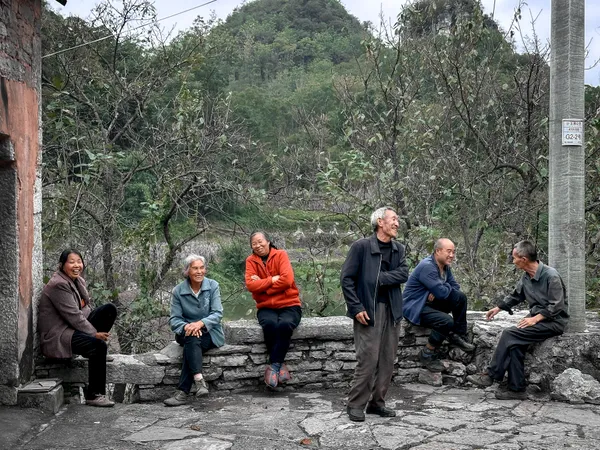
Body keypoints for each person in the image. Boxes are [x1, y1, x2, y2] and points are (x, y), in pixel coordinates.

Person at [467, 240, 569, 400]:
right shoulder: (526, 276)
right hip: (537, 319)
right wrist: (498, 308)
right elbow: (516, 295)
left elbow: (557, 306)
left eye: (514, 258)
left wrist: (535, 319)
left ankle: (491, 374)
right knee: (515, 344)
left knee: (509, 334)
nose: (512, 261)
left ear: (524, 259)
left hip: (553, 322)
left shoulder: (551, 276)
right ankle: (517, 388)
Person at [340, 207, 409, 422]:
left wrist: (380, 278)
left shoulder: (399, 249)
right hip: (368, 310)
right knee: (368, 360)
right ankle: (356, 404)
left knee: (388, 360)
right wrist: (356, 307)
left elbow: (404, 273)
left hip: (392, 310)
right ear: (380, 222)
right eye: (394, 219)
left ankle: (377, 403)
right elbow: (347, 279)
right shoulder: (361, 247)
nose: (397, 223)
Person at [38, 249, 118, 407]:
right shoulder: (58, 284)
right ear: (62, 265)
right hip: (59, 334)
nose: (77, 265)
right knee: (99, 346)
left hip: (71, 327)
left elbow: (85, 308)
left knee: (109, 309)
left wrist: (91, 329)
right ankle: (95, 395)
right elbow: (73, 315)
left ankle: (94, 353)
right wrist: (94, 334)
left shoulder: (77, 280)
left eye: (79, 261)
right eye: (71, 262)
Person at [402, 238, 475, 373]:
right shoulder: (428, 266)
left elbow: (455, 287)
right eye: (449, 251)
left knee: (460, 297)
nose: (452, 255)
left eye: (453, 252)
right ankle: (426, 353)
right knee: (446, 320)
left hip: (430, 303)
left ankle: (457, 335)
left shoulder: (445, 267)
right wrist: (439, 289)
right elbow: (441, 293)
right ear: (437, 251)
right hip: (416, 307)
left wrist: (439, 288)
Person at [164, 254, 225, 407]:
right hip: (186, 332)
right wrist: (186, 326)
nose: (199, 271)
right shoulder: (179, 291)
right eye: (195, 268)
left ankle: (183, 392)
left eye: (202, 268)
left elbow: (217, 313)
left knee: (192, 342)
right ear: (187, 271)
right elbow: (174, 319)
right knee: (191, 337)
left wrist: (199, 324)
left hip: (210, 333)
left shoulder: (212, 286)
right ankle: (199, 381)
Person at [245, 231, 302, 389]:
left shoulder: (281, 255)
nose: (258, 245)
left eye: (260, 241)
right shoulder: (251, 261)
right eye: (254, 243)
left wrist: (263, 286)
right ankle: (280, 364)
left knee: (285, 325)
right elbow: (250, 285)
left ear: (268, 241)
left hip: (289, 304)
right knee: (269, 324)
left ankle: (274, 365)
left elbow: (287, 280)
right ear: (251, 246)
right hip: (266, 307)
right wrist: (271, 279)